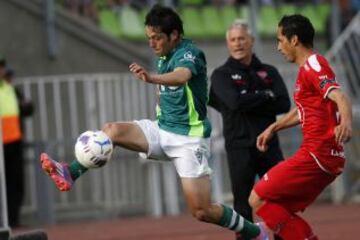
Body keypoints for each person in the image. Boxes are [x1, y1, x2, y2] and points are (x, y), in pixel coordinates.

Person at [40, 5, 269, 240]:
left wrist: (150, 78)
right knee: (112, 130)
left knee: (201, 210)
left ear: (175, 35)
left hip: (189, 139)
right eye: (149, 38)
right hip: (161, 129)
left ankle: (255, 232)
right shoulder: (163, 55)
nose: (152, 43)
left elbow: (181, 76)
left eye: (157, 38)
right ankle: (70, 172)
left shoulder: (189, 53)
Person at [249, 14, 353, 240]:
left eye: (280, 40)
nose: (278, 47)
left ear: (294, 39)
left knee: (257, 199)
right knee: (278, 208)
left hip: (317, 154)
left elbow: (340, 97)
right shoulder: (308, 69)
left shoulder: (314, 64)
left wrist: (346, 122)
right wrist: (273, 128)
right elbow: (303, 110)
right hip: (325, 157)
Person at [208, 19, 290, 240]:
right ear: (227, 43)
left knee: (279, 198)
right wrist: (264, 95)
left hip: (269, 145)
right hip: (239, 146)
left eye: (242, 38)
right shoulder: (221, 75)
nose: (237, 43)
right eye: (233, 40)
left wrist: (247, 99)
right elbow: (233, 103)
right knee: (242, 203)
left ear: (251, 41)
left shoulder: (269, 71)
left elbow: (284, 104)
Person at [0, 58, 28, 227]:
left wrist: (26, 105)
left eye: (2, 67)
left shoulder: (11, 89)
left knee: (16, 183)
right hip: (0, 145)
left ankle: (13, 219)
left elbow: (27, 109)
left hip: (14, 142)